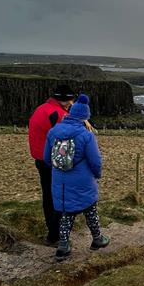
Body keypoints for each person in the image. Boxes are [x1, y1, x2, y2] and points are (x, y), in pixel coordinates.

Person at [44, 94, 110, 261]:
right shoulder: (86, 136)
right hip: (83, 182)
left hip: (61, 183)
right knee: (91, 211)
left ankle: (63, 247)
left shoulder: (53, 132)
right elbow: (95, 161)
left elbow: (46, 158)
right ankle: (97, 239)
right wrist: (98, 175)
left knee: (66, 215)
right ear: (84, 117)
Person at [28, 85, 75, 246]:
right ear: (65, 100)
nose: (72, 103)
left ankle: (53, 234)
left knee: (48, 196)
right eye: (71, 100)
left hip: (41, 159)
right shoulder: (59, 114)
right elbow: (67, 139)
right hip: (54, 162)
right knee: (59, 198)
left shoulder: (42, 108)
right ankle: (58, 236)